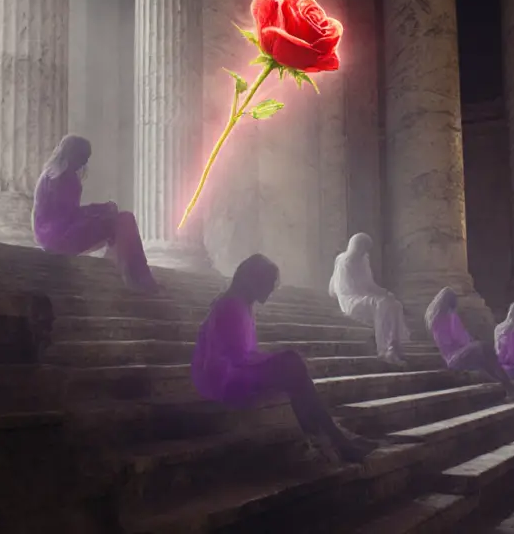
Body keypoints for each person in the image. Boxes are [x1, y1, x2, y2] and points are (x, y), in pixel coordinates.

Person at [192, 254, 378, 463]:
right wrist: (276, 360)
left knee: (293, 368)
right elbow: (235, 357)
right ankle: (334, 437)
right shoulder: (230, 305)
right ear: (254, 280)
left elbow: (245, 353)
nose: (270, 290)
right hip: (221, 380)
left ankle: (333, 436)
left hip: (231, 372)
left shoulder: (241, 303)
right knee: (292, 363)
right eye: (268, 284)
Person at [32, 134, 158, 294]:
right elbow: (71, 215)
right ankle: (140, 277)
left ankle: (133, 274)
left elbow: (68, 214)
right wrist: (102, 209)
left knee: (119, 220)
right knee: (123, 220)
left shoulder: (50, 174)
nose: (85, 162)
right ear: (73, 153)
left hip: (50, 236)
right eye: (83, 156)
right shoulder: (65, 177)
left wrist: (100, 210)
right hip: (59, 236)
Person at [425, 288, 514, 400]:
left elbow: (461, 337)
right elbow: (454, 339)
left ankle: (510, 389)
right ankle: (510, 388)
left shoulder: (445, 317)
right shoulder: (441, 320)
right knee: (482, 348)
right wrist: (469, 342)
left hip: (461, 354)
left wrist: (470, 343)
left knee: (487, 353)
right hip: (453, 358)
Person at [328, 233, 409, 366]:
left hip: (364, 295)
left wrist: (384, 292)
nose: (364, 251)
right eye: (362, 247)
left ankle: (394, 346)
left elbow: (369, 285)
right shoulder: (344, 262)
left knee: (395, 304)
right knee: (381, 304)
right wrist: (376, 295)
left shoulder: (364, 259)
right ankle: (383, 350)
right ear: (354, 246)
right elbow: (345, 290)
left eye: (366, 248)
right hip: (351, 299)